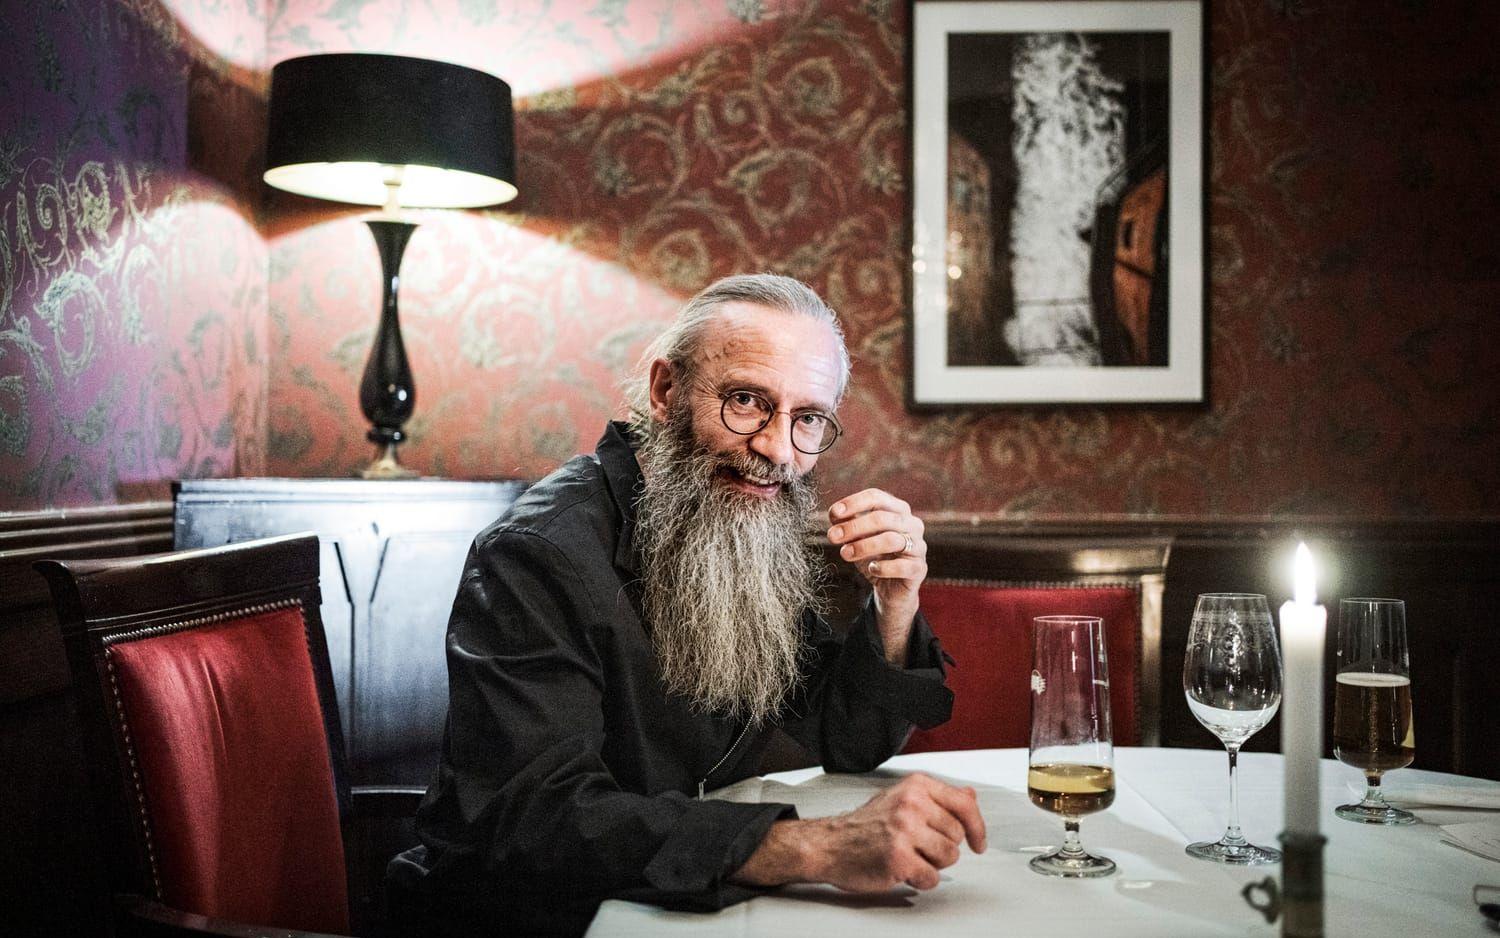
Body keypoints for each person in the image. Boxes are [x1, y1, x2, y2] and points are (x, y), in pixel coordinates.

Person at [387, 274, 987, 936]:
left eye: (808, 418)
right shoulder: (537, 553)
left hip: (667, 907)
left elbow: (848, 738)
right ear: (666, 391)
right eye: (746, 401)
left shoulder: (740, 526)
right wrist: (812, 847)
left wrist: (894, 602)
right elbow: (534, 820)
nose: (778, 449)